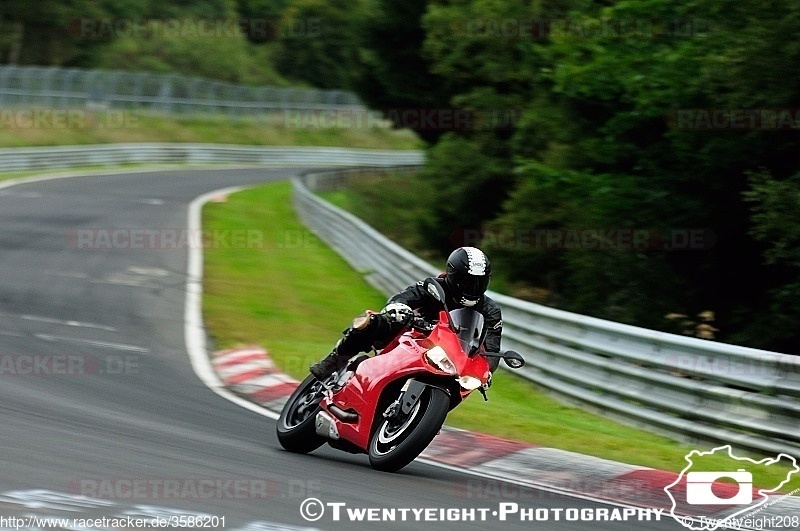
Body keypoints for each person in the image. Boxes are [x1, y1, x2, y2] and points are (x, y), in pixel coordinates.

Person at [309, 246, 503, 381]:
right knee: (371, 322)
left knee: (468, 382)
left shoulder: (491, 311)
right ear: (453, 275)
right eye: (468, 281)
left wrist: (486, 370)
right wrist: (399, 308)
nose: (474, 287)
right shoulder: (434, 286)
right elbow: (405, 297)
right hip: (411, 335)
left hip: (450, 357)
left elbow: (492, 348)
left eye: (479, 281)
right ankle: (333, 361)